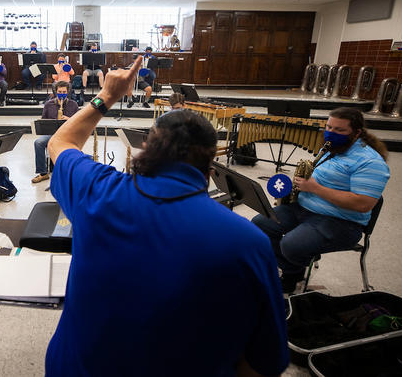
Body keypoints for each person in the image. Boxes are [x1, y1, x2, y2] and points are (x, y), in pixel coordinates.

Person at [44, 56, 289, 376]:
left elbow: (61, 141)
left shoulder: (98, 191)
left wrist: (107, 96)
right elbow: (262, 364)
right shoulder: (249, 241)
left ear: (146, 149)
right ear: (210, 169)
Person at [252, 107, 390, 294]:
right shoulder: (333, 148)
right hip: (305, 208)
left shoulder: (370, 162)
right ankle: (293, 269)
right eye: (329, 127)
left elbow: (363, 204)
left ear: (357, 133)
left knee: (291, 245)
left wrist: (315, 188)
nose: (331, 133)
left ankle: (292, 275)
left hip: (342, 221)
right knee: (259, 224)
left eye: (339, 130)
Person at [32, 81, 78, 184]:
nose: (62, 94)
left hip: (67, 135)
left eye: (64, 92)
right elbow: (43, 121)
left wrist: (68, 119)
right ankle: (43, 173)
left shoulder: (73, 104)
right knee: (38, 143)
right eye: (59, 91)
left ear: (68, 92)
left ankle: (68, 172)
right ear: (56, 91)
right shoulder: (48, 104)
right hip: (51, 134)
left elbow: (78, 124)